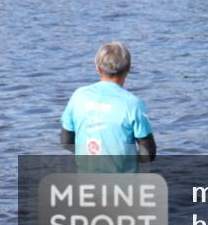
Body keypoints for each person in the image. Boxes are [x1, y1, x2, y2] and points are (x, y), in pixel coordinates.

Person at [61, 42, 156, 173]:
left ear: (98, 68)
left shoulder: (78, 96)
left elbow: (66, 142)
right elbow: (148, 155)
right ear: (128, 68)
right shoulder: (133, 104)